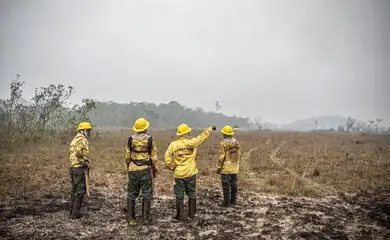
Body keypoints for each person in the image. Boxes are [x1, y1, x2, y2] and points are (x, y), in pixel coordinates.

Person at [164, 124, 216, 220]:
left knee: (179, 194)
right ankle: (192, 214)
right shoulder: (192, 142)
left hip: (179, 174)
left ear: (179, 134)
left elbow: (166, 159)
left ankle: (179, 215)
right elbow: (202, 137)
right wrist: (209, 129)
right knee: (192, 192)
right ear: (187, 133)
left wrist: (172, 167)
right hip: (191, 173)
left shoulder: (173, 145)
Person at [125, 118, 158, 225]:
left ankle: (130, 218)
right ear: (145, 128)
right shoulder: (150, 140)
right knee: (147, 193)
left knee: (131, 193)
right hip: (145, 169)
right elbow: (154, 157)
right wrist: (155, 169)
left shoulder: (130, 139)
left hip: (133, 168)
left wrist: (128, 166)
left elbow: (127, 156)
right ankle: (145, 218)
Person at [69, 121, 93, 219]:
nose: (89, 132)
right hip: (79, 168)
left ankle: (72, 212)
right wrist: (84, 162)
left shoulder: (75, 139)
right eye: (88, 130)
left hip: (74, 167)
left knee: (75, 190)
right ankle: (75, 213)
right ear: (82, 130)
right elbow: (78, 152)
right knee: (80, 191)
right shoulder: (81, 139)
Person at [216, 125, 241, 207]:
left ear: (224, 134)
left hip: (226, 169)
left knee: (226, 186)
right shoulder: (237, 143)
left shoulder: (223, 144)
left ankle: (226, 202)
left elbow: (221, 157)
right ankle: (233, 200)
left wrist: (219, 167)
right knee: (233, 185)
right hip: (234, 168)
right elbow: (239, 154)